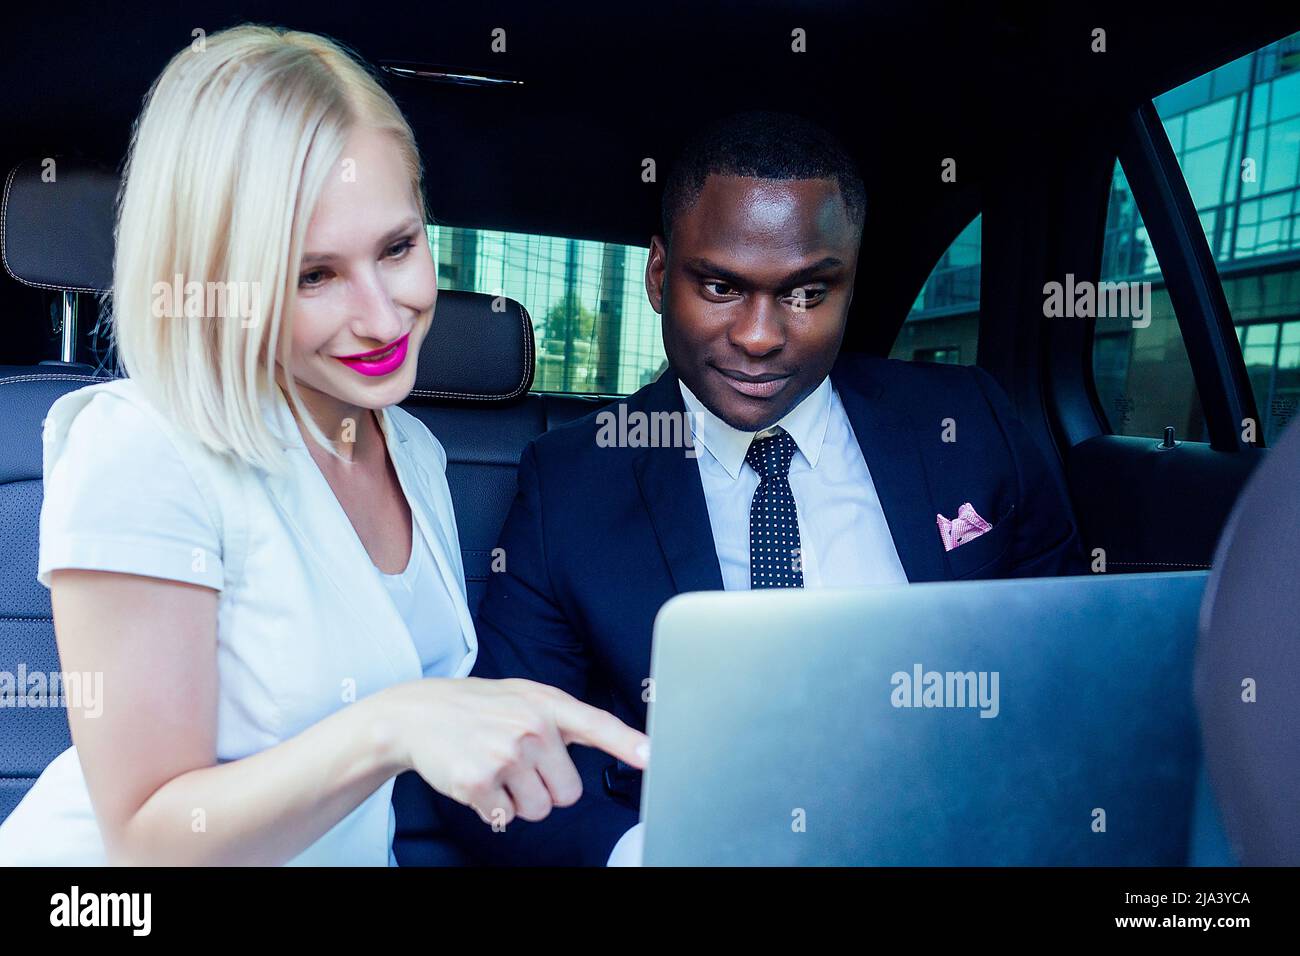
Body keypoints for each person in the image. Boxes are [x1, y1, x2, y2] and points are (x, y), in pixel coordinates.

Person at [0, 24, 645, 867]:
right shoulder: (144, 447)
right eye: (313, 275)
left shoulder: (408, 446)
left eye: (399, 248)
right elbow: (150, 838)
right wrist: (393, 724)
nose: (384, 317)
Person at [433, 110, 1088, 865]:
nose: (759, 335)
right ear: (657, 276)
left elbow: (1072, 665)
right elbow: (508, 756)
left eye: (808, 292)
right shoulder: (570, 484)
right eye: (719, 285)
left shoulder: (969, 422)